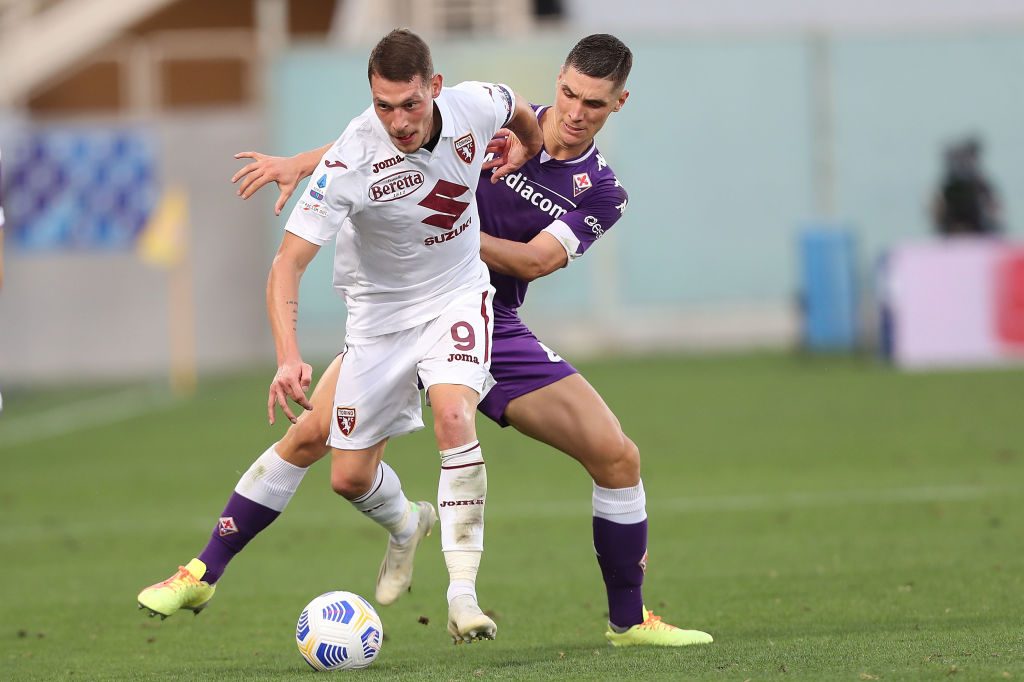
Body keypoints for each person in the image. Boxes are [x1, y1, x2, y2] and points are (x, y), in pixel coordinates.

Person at [235, 34, 712, 648]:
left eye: (592, 104)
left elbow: (536, 261)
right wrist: (304, 163)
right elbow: (388, 142)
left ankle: (628, 621)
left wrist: (445, 234)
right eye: (567, 92)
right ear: (557, 81)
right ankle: (205, 568)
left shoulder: (601, 191)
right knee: (313, 441)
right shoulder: (492, 122)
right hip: (402, 313)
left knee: (618, 457)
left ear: (619, 103)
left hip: (492, 325)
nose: (572, 111)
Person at [137, 28, 544, 645]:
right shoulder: (351, 158)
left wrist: (528, 147)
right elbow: (286, 265)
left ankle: (463, 596)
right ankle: (408, 525)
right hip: (378, 322)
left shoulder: (472, 105)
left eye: (410, 104)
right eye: (384, 106)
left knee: (455, 414)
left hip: (457, 295)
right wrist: (288, 357)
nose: (399, 121)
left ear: (433, 88)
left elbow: (516, 105)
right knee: (347, 477)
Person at [932, 137, 1003, 237]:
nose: (962, 164)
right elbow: (937, 212)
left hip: (978, 230)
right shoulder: (946, 187)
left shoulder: (980, 184)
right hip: (951, 231)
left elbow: (994, 208)